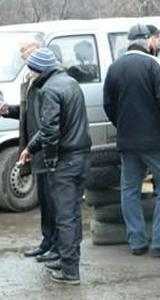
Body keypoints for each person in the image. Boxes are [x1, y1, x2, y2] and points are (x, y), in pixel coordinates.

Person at [18, 47, 92, 284]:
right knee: (72, 214)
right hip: (80, 156)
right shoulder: (70, 82)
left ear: (39, 69)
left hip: (65, 160)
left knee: (64, 216)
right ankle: (68, 260)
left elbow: (49, 130)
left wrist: (42, 155)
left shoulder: (49, 90)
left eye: (31, 68)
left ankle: (70, 271)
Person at [103, 24, 160, 258]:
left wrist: (122, 126)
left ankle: (136, 241)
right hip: (156, 141)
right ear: (146, 42)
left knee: (129, 189)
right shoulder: (153, 65)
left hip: (127, 141)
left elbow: (108, 106)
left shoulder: (114, 68)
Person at [0, 41, 61, 263]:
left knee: (53, 201)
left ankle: (57, 245)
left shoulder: (47, 83)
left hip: (45, 146)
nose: (27, 64)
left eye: (29, 57)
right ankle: (47, 241)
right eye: (24, 59)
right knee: (45, 200)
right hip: (36, 146)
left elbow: (49, 123)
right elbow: (28, 113)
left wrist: (32, 146)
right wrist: (8, 111)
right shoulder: (30, 81)